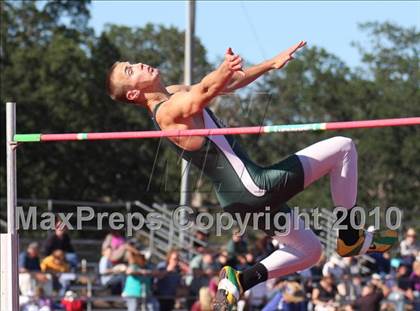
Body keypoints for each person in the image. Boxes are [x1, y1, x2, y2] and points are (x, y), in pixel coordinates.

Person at [106, 41, 398, 310]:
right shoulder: (166, 112)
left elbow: (222, 85)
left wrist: (269, 64)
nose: (139, 64)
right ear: (133, 93)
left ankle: (240, 281)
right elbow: (202, 96)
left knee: (310, 251)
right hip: (253, 188)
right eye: (130, 70)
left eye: (132, 62)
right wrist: (222, 69)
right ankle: (350, 235)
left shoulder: (174, 92)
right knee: (343, 147)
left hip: (239, 203)